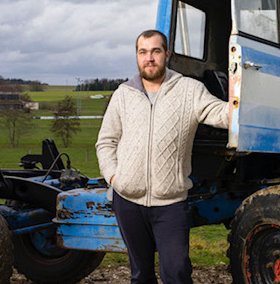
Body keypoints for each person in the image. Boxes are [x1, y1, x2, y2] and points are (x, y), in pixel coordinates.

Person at [95, 30, 229, 284]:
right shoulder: (123, 94)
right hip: (128, 201)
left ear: (166, 54)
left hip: (170, 203)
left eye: (156, 51)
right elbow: (106, 141)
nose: (149, 58)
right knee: (140, 274)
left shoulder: (189, 90)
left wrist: (246, 104)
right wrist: (114, 177)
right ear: (137, 56)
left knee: (177, 272)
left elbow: (220, 113)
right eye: (143, 52)